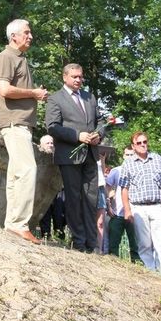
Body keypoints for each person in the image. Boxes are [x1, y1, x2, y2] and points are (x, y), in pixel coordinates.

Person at [0, 18, 48, 244]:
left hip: (20, 123)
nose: (31, 36)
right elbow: (4, 89)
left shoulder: (19, 58)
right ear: (13, 36)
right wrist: (34, 93)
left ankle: (12, 224)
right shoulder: (6, 57)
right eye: (26, 32)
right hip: (15, 123)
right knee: (27, 170)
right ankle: (19, 224)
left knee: (16, 175)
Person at [45, 63, 109, 252]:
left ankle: (91, 243)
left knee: (91, 199)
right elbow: (52, 127)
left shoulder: (90, 97)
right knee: (73, 199)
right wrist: (77, 136)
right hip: (69, 157)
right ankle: (78, 242)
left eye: (80, 77)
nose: (78, 80)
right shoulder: (56, 99)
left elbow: (101, 122)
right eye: (74, 77)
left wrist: (99, 135)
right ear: (64, 77)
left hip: (90, 155)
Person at [120, 131, 161, 275]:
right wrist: (127, 210)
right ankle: (150, 271)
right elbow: (124, 188)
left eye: (145, 142)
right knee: (144, 243)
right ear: (133, 146)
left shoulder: (158, 159)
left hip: (158, 206)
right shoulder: (128, 163)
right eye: (139, 143)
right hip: (139, 208)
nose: (143, 145)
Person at [106, 146, 140, 261]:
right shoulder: (116, 171)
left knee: (136, 244)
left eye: (132, 155)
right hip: (118, 213)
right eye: (127, 155)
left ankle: (138, 265)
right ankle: (114, 265)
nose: (129, 157)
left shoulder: (139, 169)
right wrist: (108, 206)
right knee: (113, 244)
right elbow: (107, 187)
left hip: (134, 212)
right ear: (123, 156)